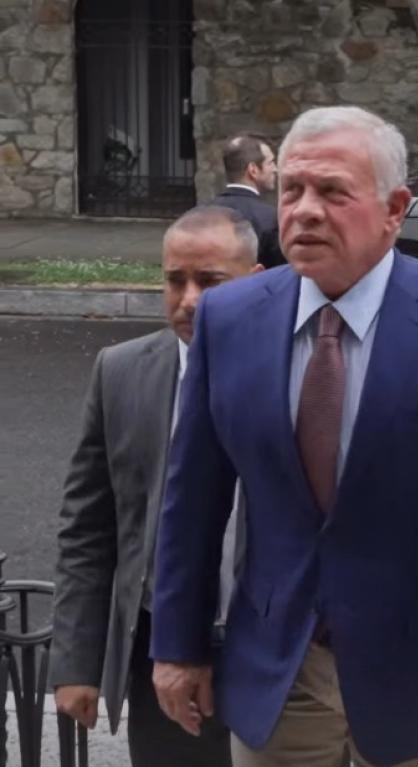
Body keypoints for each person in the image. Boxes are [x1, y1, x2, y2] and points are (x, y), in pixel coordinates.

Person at [150, 107, 418, 767]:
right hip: (278, 671)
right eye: (293, 189)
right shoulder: (229, 318)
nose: (305, 210)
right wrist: (177, 645)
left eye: (333, 192)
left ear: (394, 209)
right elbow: (192, 498)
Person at [49, 206, 263, 767]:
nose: (189, 299)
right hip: (162, 654)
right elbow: (89, 529)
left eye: (210, 282)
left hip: (272, 651)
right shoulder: (121, 372)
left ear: (256, 281)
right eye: (175, 280)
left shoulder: (297, 367)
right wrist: (76, 662)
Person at [212, 133, 285, 269]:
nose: (275, 169)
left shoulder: (199, 214)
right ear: (253, 170)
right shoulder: (271, 218)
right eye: (270, 162)